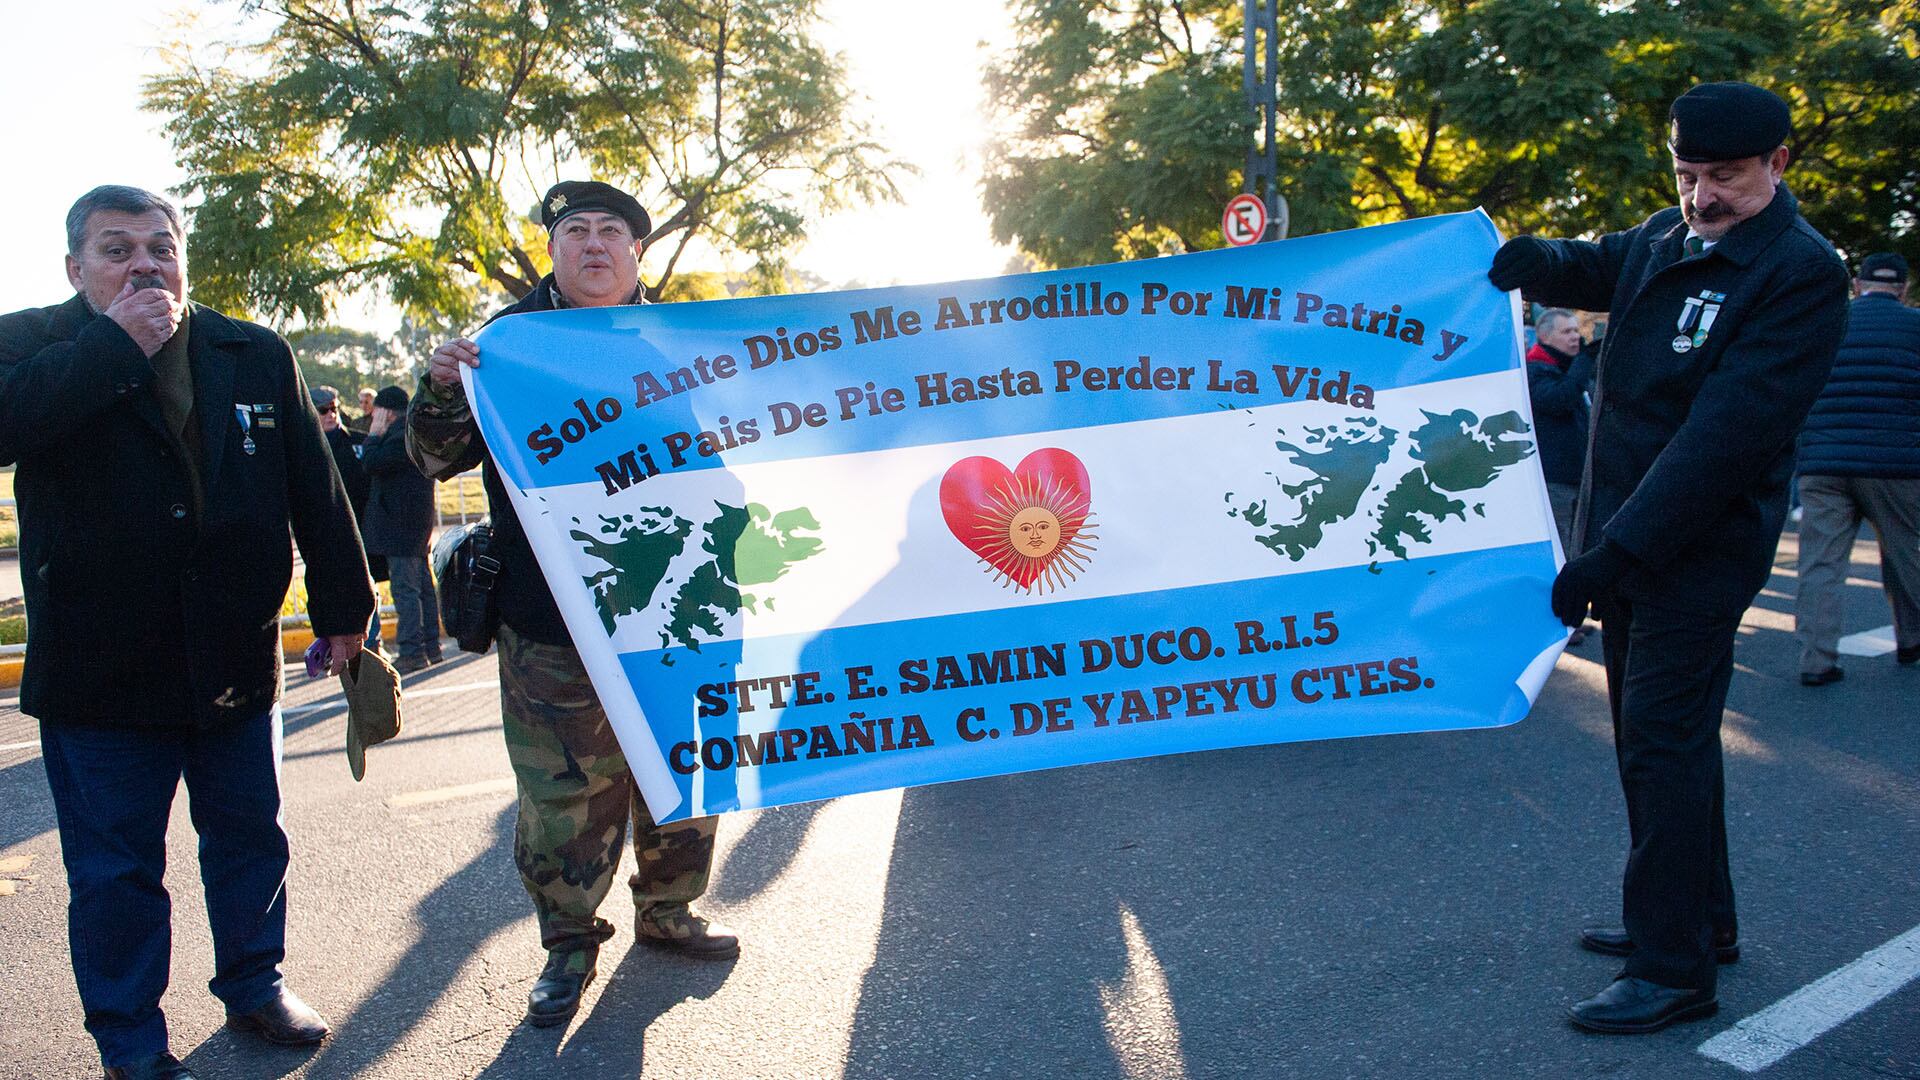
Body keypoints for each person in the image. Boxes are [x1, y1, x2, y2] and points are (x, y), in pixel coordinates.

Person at [1488, 82, 1850, 1034]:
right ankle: (1700, 920)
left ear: (1778, 163)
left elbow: (1721, 446)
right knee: (1658, 747)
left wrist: (1609, 557)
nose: (1702, 199)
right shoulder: (1665, 235)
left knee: (1663, 744)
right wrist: (1532, 261)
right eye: (1687, 176)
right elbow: (1598, 262)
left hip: (1694, 551)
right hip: (1631, 542)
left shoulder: (1800, 273)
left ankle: (1673, 967)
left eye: (1725, 178)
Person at [0, 185, 374, 1080]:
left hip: (235, 654)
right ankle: (130, 1041)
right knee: (117, 873)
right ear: (74, 267)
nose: (143, 265)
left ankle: (255, 980)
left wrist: (345, 614)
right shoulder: (32, 345)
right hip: (101, 673)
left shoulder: (250, 351)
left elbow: (314, 491)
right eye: (116, 249)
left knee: (250, 837)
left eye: (160, 247)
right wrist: (113, 347)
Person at [406, 180, 737, 1030]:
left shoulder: (687, 342)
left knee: (686, 768)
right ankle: (569, 946)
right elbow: (432, 459)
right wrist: (442, 385)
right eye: (576, 231)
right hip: (555, 619)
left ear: (637, 253)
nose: (595, 244)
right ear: (553, 250)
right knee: (565, 794)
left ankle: (669, 912)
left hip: (684, 607)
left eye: (613, 232)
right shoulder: (505, 346)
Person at [1793, 251, 1920, 683]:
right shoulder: (1916, 327)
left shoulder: (1828, 324)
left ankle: (1817, 658)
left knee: (1821, 564)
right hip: (1898, 465)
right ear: (1902, 288)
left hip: (1824, 463)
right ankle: (1912, 639)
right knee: (1907, 555)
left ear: (1857, 285)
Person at [361, 384, 443, 673]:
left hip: (400, 526)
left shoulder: (397, 438)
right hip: (413, 523)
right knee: (421, 587)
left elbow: (370, 463)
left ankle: (412, 651)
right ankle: (431, 647)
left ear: (387, 412)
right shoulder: (412, 433)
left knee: (406, 590)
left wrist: (373, 435)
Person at [1526, 308, 1595, 642]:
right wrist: (1582, 369)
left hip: (1573, 480)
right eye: (1567, 332)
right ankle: (1558, 626)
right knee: (1559, 558)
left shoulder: (1566, 372)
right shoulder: (1537, 371)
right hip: (1554, 481)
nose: (1575, 338)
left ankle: (1570, 619)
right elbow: (1558, 400)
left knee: (1573, 550)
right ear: (1545, 336)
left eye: (1575, 331)